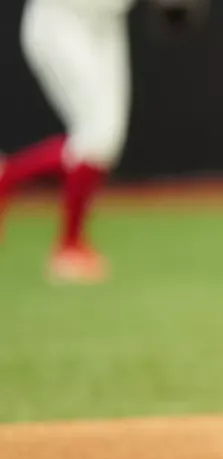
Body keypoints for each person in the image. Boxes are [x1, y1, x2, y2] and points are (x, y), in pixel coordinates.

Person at [0, 0, 137, 283]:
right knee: (97, 135)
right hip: (61, 18)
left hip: (106, 21)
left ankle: (7, 177)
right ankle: (69, 246)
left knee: (106, 139)